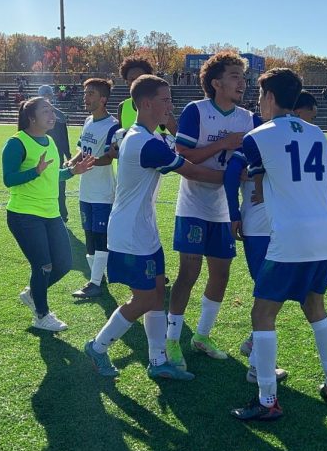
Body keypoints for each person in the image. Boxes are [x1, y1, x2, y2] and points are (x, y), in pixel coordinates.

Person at [83, 75, 224, 380]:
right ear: (146, 104)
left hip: (144, 230)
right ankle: (97, 346)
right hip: (129, 234)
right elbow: (191, 170)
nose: (170, 106)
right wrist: (233, 176)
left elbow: (179, 145)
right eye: (165, 100)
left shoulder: (147, 137)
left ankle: (158, 361)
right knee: (145, 299)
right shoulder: (144, 143)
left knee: (157, 292)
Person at [226, 68, 327, 422]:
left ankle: (266, 400)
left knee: (262, 313)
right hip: (326, 235)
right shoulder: (319, 134)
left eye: (260, 96)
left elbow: (250, 174)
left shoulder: (257, 137)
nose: (258, 103)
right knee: (315, 307)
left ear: (271, 97)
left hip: (290, 235)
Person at [164, 52, 263, 371]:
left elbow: (257, 160)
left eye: (243, 77)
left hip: (224, 208)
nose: (242, 83)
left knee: (221, 274)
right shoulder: (197, 111)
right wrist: (224, 144)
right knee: (189, 273)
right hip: (193, 204)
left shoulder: (248, 118)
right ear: (216, 82)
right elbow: (182, 155)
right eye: (235, 76)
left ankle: (202, 336)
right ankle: (171, 339)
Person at [2, 97, 96, 332]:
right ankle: (42, 315)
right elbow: (9, 179)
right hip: (24, 215)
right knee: (43, 265)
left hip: (51, 213)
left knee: (63, 263)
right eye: (45, 111)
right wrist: (34, 171)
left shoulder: (50, 141)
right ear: (31, 117)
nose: (52, 115)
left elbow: (53, 175)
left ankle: (33, 293)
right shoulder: (16, 143)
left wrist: (73, 171)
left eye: (52, 110)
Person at [71, 78, 121, 299]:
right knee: (89, 236)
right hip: (86, 190)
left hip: (103, 192)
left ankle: (95, 282)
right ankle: (98, 277)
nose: (86, 97)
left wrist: (84, 165)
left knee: (100, 237)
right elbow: (82, 150)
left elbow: (109, 159)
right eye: (85, 93)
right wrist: (72, 162)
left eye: (90, 93)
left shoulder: (113, 126)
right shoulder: (87, 121)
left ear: (103, 99)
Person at [37, 85, 73, 223]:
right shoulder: (58, 115)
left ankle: (61, 214)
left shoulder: (58, 115)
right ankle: (57, 214)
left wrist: (68, 155)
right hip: (43, 155)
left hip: (51, 155)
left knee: (58, 185)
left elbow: (63, 138)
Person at [116, 56, 177, 135]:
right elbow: (120, 136)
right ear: (126, 82)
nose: (136, 83)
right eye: (132, 79)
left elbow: (178, 140)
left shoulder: (161, 108)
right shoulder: (122, 107)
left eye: (140, 78)